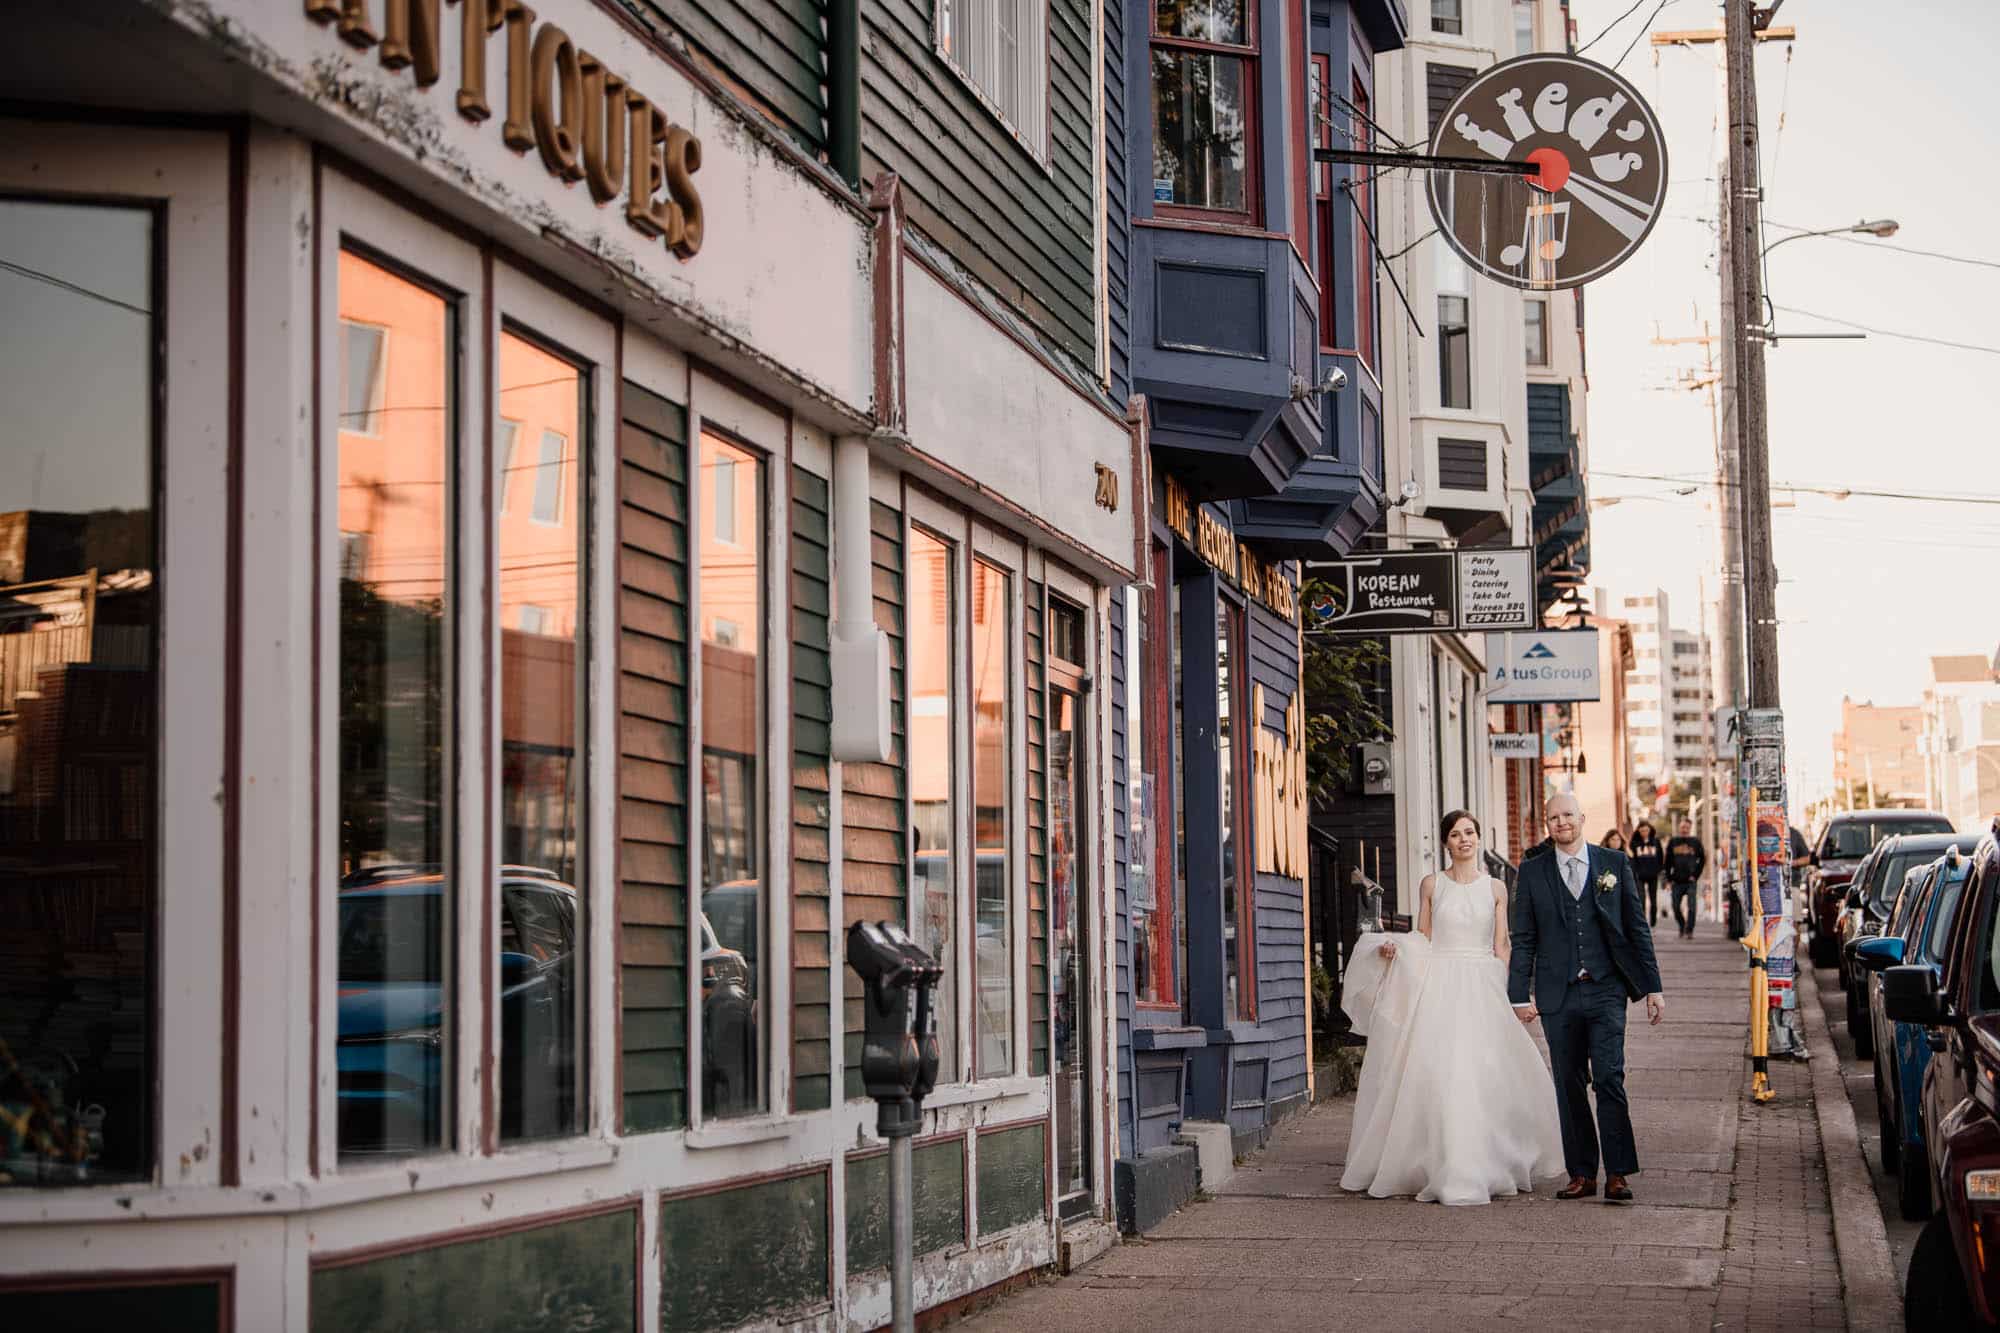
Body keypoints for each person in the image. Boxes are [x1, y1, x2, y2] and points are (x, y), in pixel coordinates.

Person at [1339, 811, 1564, 1205]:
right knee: (1439, 1072)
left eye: (1471, 833)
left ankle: (1488, 1159)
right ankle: (1440, 1161)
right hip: (1440, 984)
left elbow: (1503, 946)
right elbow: (1423, 938)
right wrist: (1397, 950)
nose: (1465, 840)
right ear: (1445, 842)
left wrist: (1517, 996)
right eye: (1457, 834)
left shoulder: (1495, 888)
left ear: (1478, 838)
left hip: (1482, 985)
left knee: (1486, 1072)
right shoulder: (1432, 884)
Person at [1507, 794, 1666, 1203]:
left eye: (1567, 815)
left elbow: (1636, 927)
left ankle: (1617, 1173)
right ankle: (1581, 1173)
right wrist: (1517, 995)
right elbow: (1523, 938)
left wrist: (1653, 987)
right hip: (1557, 995)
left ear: (1581, 818)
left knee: (1610, 1077)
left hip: (1606, 988)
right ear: (1547, 824)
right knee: (1569, 1083)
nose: (1561, 822)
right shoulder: (1532, 872)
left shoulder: (1613, 864)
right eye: (1553, 817)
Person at [1664, 818, 1707, 939]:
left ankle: (1689, 930)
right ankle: (1682, 925)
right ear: (1679, 828)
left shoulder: (1695, 842)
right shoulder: (1673, 842)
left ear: (1690, 829)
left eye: (1687, 828)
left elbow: (1702, 859)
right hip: (1676, 880)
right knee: (1675, 907)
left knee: (1692, 906)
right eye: (1683, 827)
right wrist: (1668, 877)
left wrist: (1696, 875)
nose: (1684, 830)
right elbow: (1667, 861)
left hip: (1690, 880)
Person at [1629, 821, 1665, 926]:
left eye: (1646, 830)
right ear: (1639, 831)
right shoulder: (1635, 843)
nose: (1644, 832)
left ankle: (1653, 922)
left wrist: (1658, 870)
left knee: (1653, 900)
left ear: (1650, 830)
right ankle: (1643, 922)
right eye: (1642, 830)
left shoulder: (1656, 841)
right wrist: (1635, 871)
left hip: (1653, 875)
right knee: (1641, 899)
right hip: (1639, 875)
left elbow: (1661, 857)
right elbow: (1632, 858)